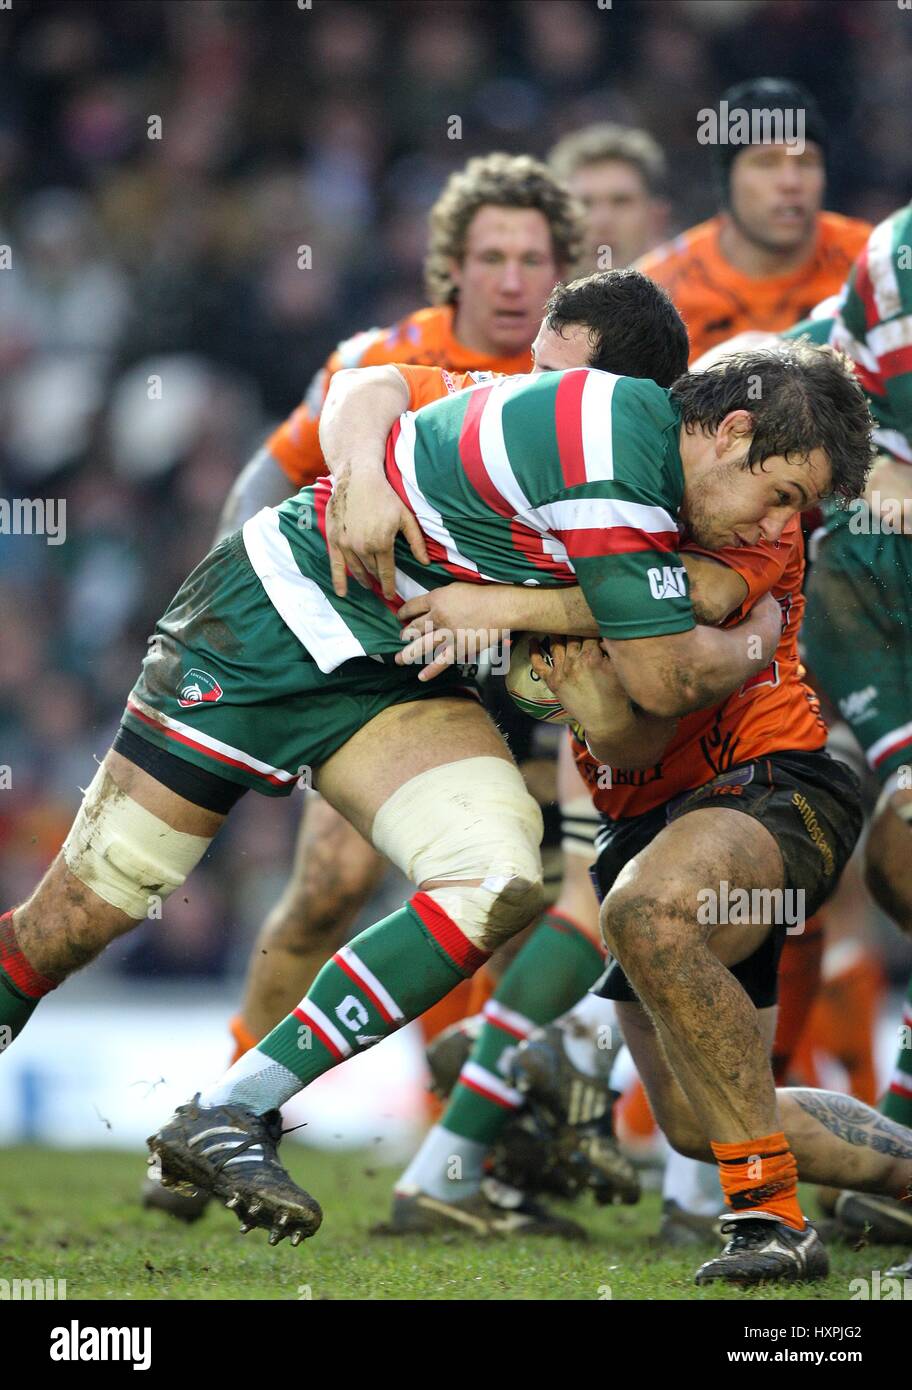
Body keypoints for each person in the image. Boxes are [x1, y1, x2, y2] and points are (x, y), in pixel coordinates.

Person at [635, 78, 870, 363]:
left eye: (805, 162)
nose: (791, 182)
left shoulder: (874, 264)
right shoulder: (660, 292)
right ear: (726, 180)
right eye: (766, 163)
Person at [548, 122, 669, 272]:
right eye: (584, 204)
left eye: (621, 202)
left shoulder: (698, 294)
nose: (602, 221)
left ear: (656, 218)